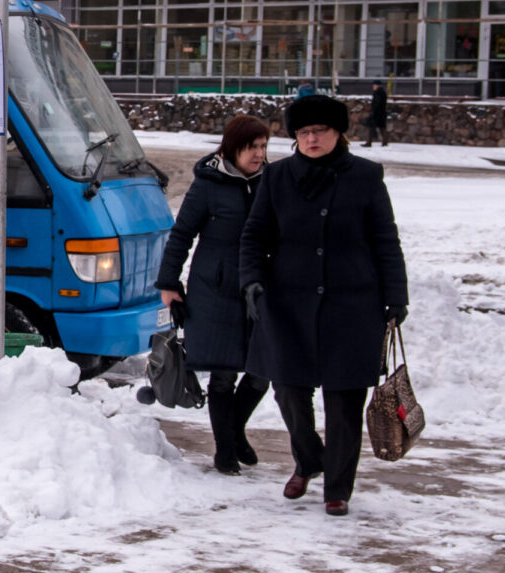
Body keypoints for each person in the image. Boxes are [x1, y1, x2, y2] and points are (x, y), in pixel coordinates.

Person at [238, 94, 409, 517]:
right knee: (289, 391)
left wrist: (396, 296)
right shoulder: (277, 177)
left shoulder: (366, 176)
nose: (311, 139)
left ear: (338, 133)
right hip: (288, 301)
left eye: (320, 131)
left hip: (352, 304)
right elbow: (255, 235)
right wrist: (252, 281)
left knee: (344, 399)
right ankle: (309, 459)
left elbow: (386, 239)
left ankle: (338, 487)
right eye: (303, 132)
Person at [155, 115, 272, 475]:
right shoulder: (209, 183)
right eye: (252, 147)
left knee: (262, 371)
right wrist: (169, 284)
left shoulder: (272, 181)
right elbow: (182, 234)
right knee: (223, 375)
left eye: (264, 147)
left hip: (260, 291)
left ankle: (235, 430)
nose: (259, 155)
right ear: (232, 148)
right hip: (216, 288)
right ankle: (225, 448)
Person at [364, 80, 389, 147]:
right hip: (381, 113)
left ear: (376, 85)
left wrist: (373, 112)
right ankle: (385, 142)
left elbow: (376, 104)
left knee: (371, 127)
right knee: (382, 128)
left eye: (374, 85)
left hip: (377, 113)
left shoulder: (377, 92)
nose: (373, 86)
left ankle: (368, 142)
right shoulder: (382, 92)